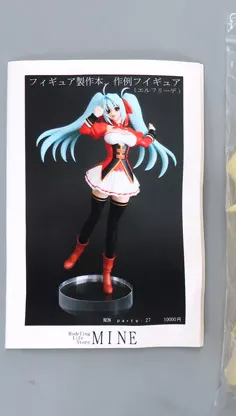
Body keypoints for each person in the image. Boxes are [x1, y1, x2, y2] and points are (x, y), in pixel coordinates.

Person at [37, 86, 176, 294]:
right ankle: (76, 253)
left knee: (113, 226)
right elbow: (85, 130)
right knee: (94, 216)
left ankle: (107, 273)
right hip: (104, 176)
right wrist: (94, 115)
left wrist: (152, 132)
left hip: (124, 179)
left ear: (123, 109)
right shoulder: (104, 127)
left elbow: (145, 142)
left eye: (116, 109)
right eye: (109, 110)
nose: (113, 113)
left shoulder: (131, 132)